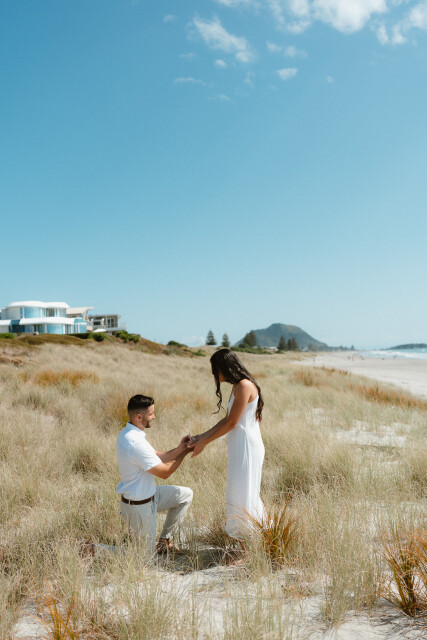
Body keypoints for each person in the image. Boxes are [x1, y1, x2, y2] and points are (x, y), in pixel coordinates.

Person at [188, 348, 265, 547]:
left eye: (215, 369)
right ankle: (252, 541)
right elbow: (227, 420)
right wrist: (201, 437)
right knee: (238, 492)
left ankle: (245, 547)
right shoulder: (237, 386)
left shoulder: (244, 385)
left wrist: (204, 442)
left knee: (243, 493)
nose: (214, 373)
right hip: (240, 445)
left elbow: (232, 423)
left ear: (225, 367)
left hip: (247, 446)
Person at [116, 394, 193, 556]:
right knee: (145, 558)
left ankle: (164, 542)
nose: (154, 416)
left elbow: (157, 456)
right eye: (151, 414)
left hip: (150, 497)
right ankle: (94, 549)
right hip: (138, 507)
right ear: (139, 417)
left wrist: (180, 448)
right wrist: (185, 453)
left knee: (186, 495)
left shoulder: (130, 433)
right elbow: (165, 472)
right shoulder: (135, 442)